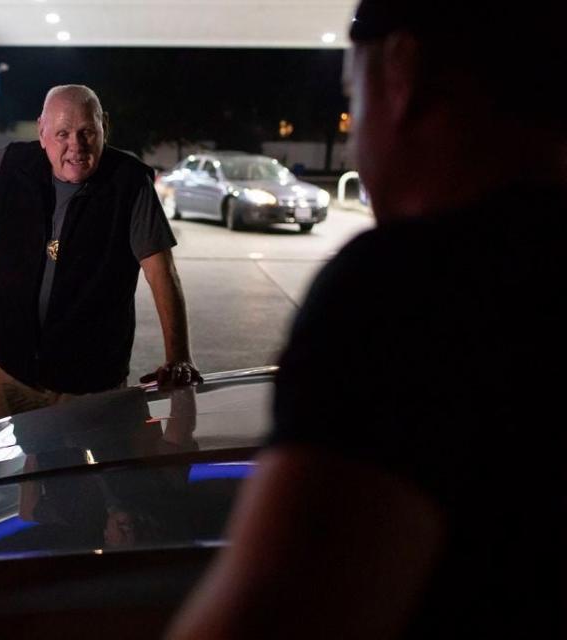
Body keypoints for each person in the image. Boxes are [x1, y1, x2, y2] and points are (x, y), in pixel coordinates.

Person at [168, 2, 566, 638]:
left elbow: (274, 613)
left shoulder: (410, 290)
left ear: (405, 72)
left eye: (357, 98)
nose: (356, 140)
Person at [0, 84, 201, 420]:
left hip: (90, 382)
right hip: (13, 371)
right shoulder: (13, 165)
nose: (75, 146)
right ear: (42, 131)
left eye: (86, 132)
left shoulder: (129, 183)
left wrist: (178, 355)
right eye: (62, 133)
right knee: (12, 469)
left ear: (103, 126)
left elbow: (161, 272)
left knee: (85, 472)